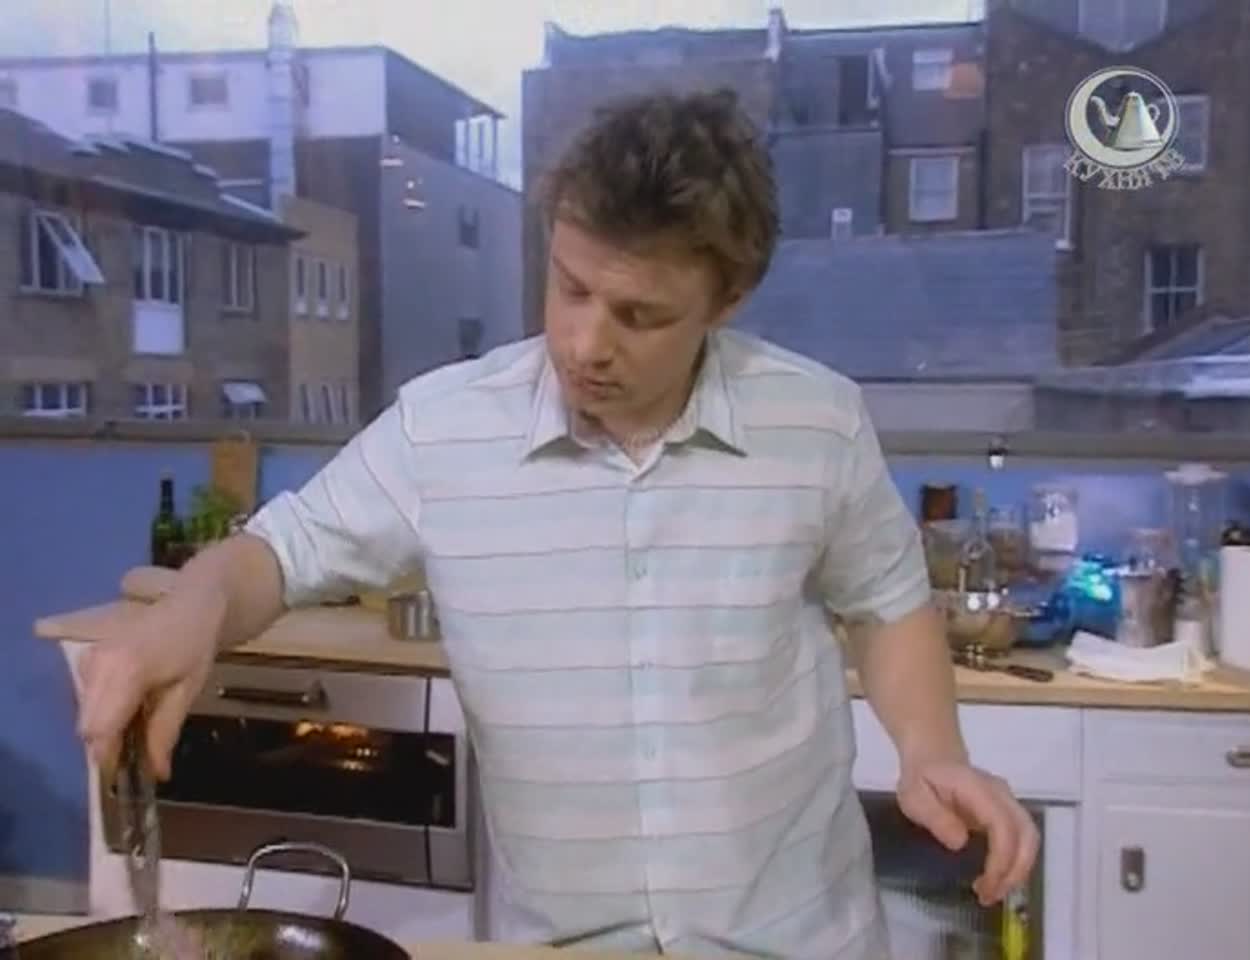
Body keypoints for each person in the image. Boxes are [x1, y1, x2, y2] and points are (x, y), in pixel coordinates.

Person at [76, 89, 1038, 959]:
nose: (585, 344)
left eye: (640, 315)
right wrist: (193, 608)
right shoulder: (443, 429)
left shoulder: (817, 422)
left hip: (800, 939)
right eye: (570, 287)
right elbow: (273, 555)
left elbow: (886, 602)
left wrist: (932, 751)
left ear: (727, 300)